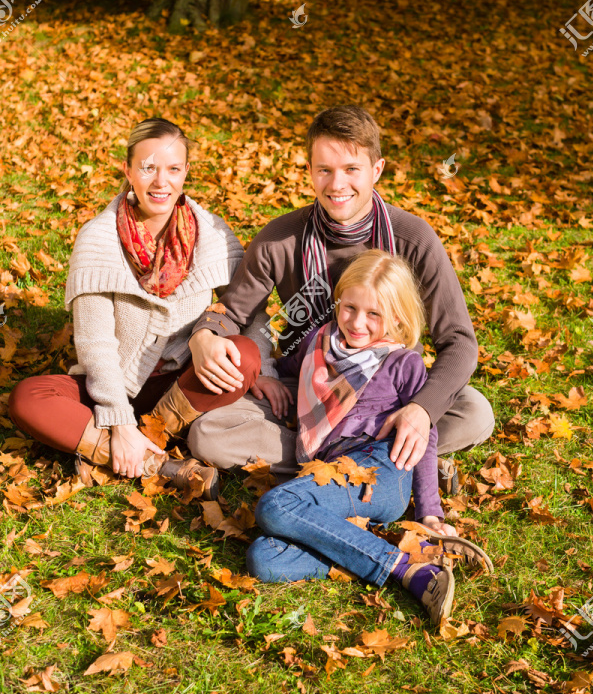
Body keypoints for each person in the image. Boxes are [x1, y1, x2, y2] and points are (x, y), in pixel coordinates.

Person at [185, 105, 494, 485]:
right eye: (325, 170)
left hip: (391, 396)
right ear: (310, 171)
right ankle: (390, 461)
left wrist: (420, 410)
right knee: (209, 433)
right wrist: (205, 335)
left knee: (475, 411)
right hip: (305, 396)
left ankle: (362, 452)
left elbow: (460, 342)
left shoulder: (413, 239)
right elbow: (233, 311)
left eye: (351, 169)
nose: (337, 184)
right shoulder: (281, 239)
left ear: (376, 170)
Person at [8, 118, 267, 499]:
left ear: (186, 173)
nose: (161, 182)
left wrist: (269, 372)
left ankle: (136, 442)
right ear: (128, 171)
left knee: (244, 354)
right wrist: (117, 418)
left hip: (182, 385)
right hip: (111, 383)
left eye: (173, 169)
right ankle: (160, 464)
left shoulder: (212, 232)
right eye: (148, 168)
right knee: (27, 398)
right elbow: (95, 344)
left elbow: (252, 310)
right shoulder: (98, 239)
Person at [246, 250, 493, 625]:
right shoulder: (317, 342)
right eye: (349, 308)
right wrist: (263, 375)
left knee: (275, 506)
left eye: (373, 314)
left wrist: (429, 512)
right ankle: (398, 554)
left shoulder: (402, 362)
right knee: (263, 558)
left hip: (382, 471)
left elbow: (423, 435)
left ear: (396, 317)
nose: (357, 323)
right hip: (328, 474)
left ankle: (406, 571)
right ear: (338, 302)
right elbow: (284, 368)